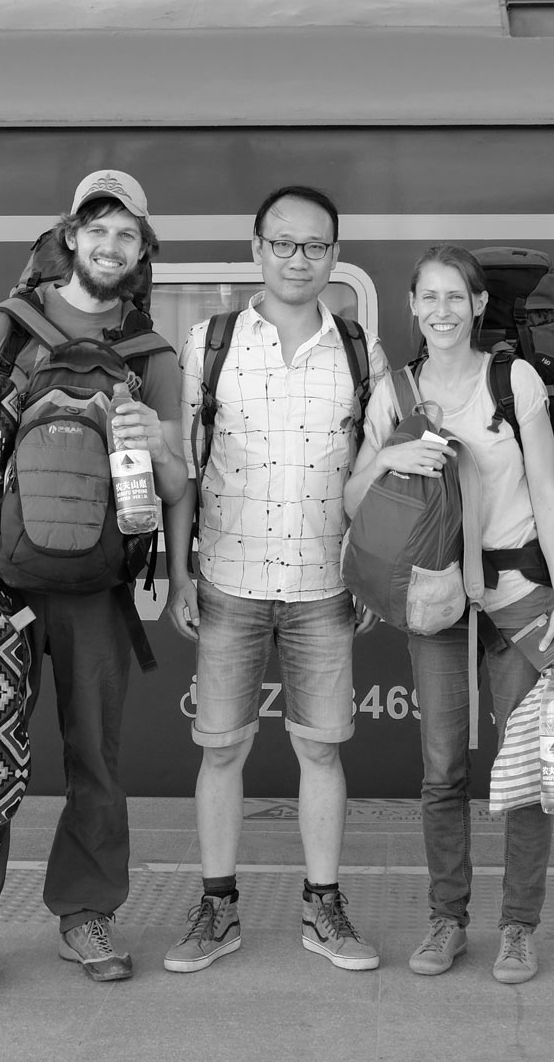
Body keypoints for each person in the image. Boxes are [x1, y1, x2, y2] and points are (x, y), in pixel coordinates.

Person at [0, 169, 188, 992]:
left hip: (99, 584)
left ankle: (86, 914)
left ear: (142, 252)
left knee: (96, 760)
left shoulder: (153, 355)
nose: (111, 245)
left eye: (127, 234)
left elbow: (178, 483)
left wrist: (178, 578)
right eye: (97, 228)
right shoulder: (3, 325)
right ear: (70, 235)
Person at [164, 185, 389, 974]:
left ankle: (322, 908)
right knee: (221, 751)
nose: (300, 259)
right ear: (256, 249)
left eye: (317, 246)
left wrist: (367, 571)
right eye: (284, 244)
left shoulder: (361, 350)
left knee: (321, 753)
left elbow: (377, 475)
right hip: (227, 577)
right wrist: (180, 570)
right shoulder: (210, 343)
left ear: (336, 254)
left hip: (325, 585)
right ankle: (217, 910)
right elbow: (186, 470)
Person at [343, 243, 554, 985]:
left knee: (529, 768)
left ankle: (518, 928)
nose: (442, 310)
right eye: (429, 298)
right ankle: (447, 920)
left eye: (456, 297)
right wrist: (384, 462)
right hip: (436, 596)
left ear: (478, 306)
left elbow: (545, 492)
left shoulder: (515, 380)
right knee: (442, 769)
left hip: (522, 593)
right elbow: (350, 500)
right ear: (411, 306)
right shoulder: (395, 393)